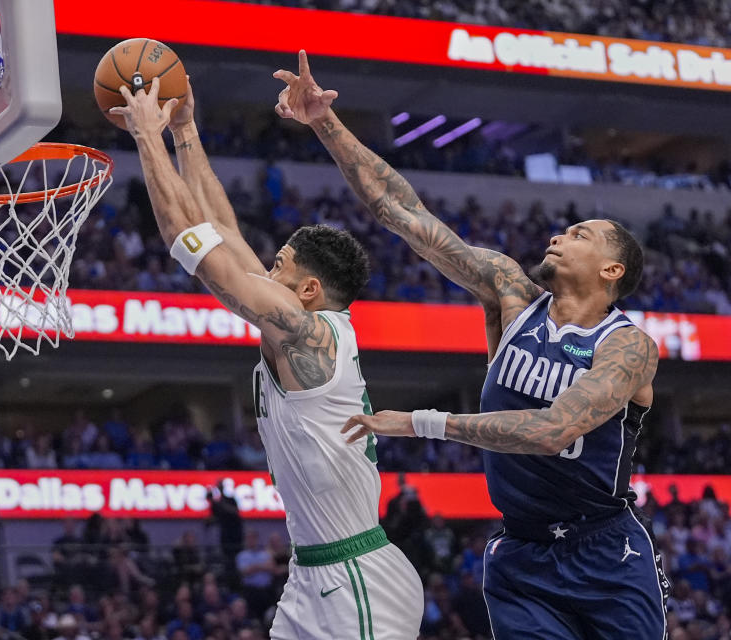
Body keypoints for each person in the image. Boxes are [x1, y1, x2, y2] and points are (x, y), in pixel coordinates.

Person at [273, 50, 666, 639]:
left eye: (580, 235)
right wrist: (323, 121)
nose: (560, 234)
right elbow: (402, 212)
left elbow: (553, 430)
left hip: (606, 551)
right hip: (521, 555)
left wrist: (424, 423)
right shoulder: (511, 294)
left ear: (612, 270)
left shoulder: (628, 347)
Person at [111, 72, 423, 639]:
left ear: (308, 291)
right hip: (315, 570)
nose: (263, 270)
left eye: (278, 265)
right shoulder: (300, 320)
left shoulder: (306, 333)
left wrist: (146, 137)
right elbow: (222, 232)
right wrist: (184, 132)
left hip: (357, 577)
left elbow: (194, 241)